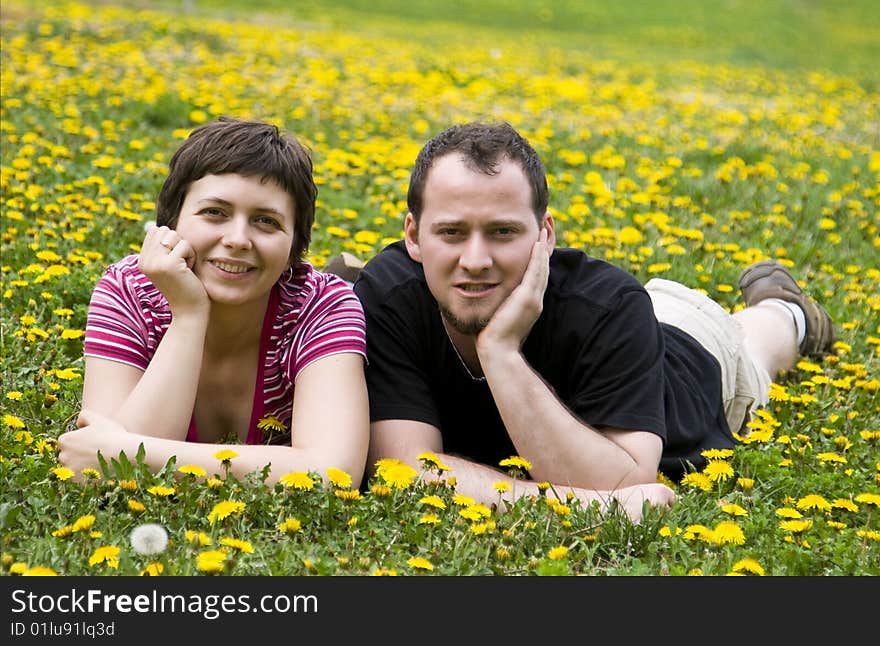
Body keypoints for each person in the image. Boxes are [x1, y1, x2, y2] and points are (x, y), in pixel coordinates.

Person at [353, 121, 836, 522]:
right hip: (598, 339)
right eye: (452, 232)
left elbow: (624, 483)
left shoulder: (612, 308)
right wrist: (588, 506)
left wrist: (499, 350)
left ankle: (785, 307)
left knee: (756, 346)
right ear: (414, 237)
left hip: (685, 354)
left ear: (544, 234)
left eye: (503, 232)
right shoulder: (388, 295)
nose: (475, 259)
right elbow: (407, 472)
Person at [58, 117, 370, 488]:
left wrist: (132, 455)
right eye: (214, 212)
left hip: (304, 299)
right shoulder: (128, 290)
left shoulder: (324, 305)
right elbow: (104, 473)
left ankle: (352, 270)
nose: (238, 238)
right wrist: (188, 316)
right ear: (171, 222)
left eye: (266, 221)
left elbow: (334, 474)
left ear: (294, 248)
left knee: (354, 288)